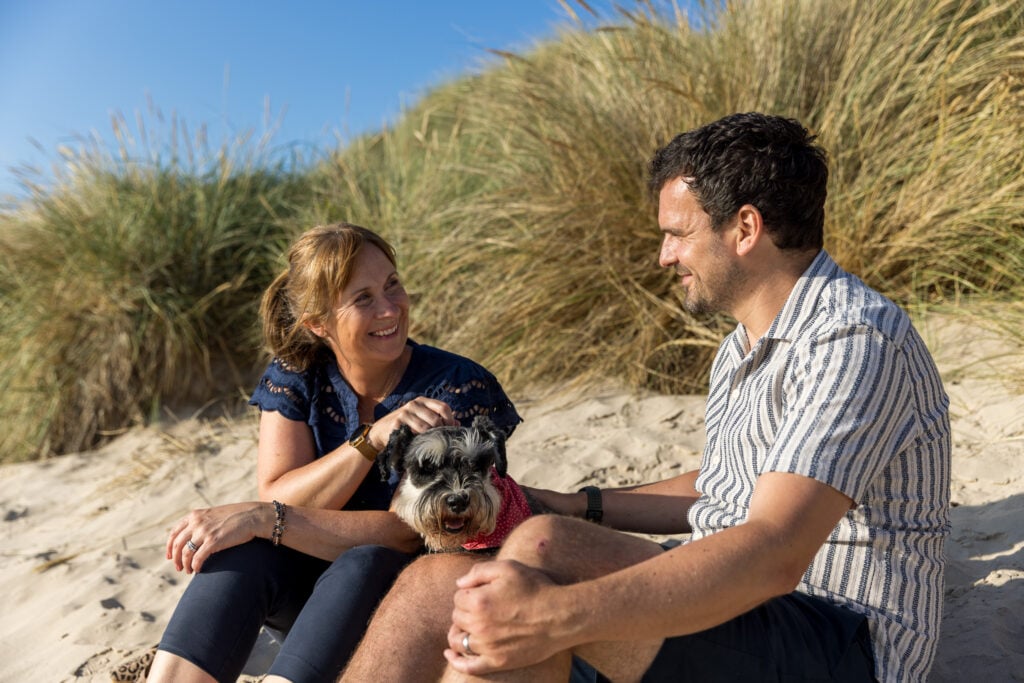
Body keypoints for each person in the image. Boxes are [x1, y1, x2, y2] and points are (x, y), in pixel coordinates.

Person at [339, 113, 951, 683]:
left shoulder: (852, 340)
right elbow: (725, 486)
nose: (664, 256)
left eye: (678, 234)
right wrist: (578, 503)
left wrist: (559, 614)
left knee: (539, 550)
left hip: (839, 642)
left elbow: (774, 553)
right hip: (735, 610)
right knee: (440, 580)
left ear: (745, 228)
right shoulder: (743, 346)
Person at [145, 223, 522, 683]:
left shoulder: (456, 386)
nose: (389, 308)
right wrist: (371, 438)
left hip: (409, 598)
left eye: (392, 285)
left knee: (361, 559)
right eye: (362, 298)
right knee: (242, 556)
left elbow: (412, 529)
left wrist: (263, 517)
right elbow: (282, 494)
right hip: (309, 594)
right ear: (318, 324)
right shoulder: (297, 373)